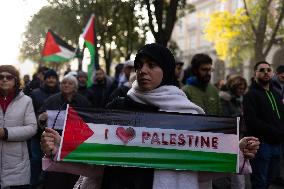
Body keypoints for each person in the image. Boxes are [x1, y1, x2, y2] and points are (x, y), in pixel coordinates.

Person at [41, 44, 259, 189]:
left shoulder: (188, 114)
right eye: (139, 66)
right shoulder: (119, 107)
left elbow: (198, 170)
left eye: (151, 65)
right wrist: (60, 145)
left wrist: (235, 150)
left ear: (166, 69)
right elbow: (95, 162)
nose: (143, 71)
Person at [38, 74, 92, 189]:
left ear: (75, 87)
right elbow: (41, 122)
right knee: (55, 179)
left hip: (76, 146)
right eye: (64, 83)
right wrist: (42, 118)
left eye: (70, 83)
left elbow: (90, 122)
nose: (66, 85)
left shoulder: (83, 101)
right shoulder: (51, 100)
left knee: (73, 177)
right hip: (54, 146)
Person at [243, 61, 284, 189]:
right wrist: (274, 131)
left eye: (268, 70)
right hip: (261, 145)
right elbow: (252, 122)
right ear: (255, 73)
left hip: (277, 144)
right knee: (259, 181)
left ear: (272, 73)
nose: (266, 72)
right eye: (261, 70)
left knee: (269, 180)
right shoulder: (250, 95)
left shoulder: (276, 94)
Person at [0, 65, 37, 188]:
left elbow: (32, 128)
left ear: (15, 80)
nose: (4, 79)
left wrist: (5, 133)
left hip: (17, 164)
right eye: (0, 77)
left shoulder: (26, 101)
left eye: (9, 77)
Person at [29, 69, 60, 189]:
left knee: (53, 164)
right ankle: (33, 184)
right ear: (44, 79)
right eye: (48, 77)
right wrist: (40, 117)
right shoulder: (35, 93)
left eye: (53, 77)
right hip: (38, 135)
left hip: (54, 137)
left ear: (57, 79)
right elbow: (30, 113)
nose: (51, 79)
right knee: (36, 161)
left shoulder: (62, 93)